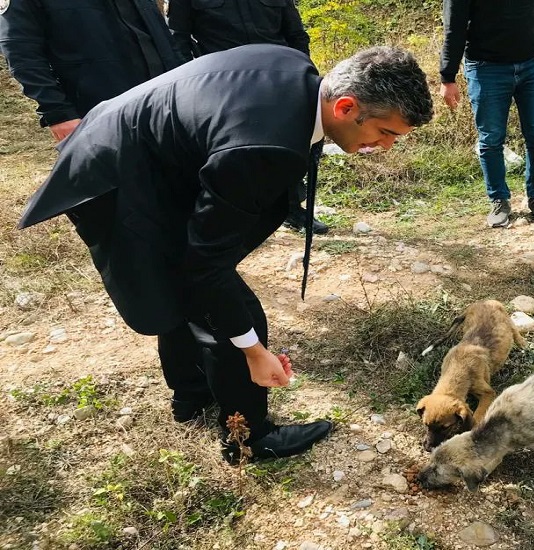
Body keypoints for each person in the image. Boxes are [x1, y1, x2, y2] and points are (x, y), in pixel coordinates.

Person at [17, 45, 434, 463]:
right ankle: (250, 440)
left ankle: (192, 397)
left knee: (183, 289)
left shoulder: (294, 71)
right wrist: (253, 351)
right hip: (116, 181)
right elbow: (205, 266)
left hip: (136, 154)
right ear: (345, 106)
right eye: (386, 133)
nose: (386, 147)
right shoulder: (265, 145)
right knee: (235, 313)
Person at [167, 0, 327, 234]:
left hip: (279, 77)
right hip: (224, 82)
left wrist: (303, 74)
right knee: (229, 153)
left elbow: (295, 34)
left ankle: (291, 208)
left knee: (293, 143)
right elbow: (177, 38)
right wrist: (194, 80)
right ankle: (227, 213)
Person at [439, 0, 534, 228]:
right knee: (490, 139)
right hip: (485, 68)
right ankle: (499, 200)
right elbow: (454, 28)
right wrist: (447, 77)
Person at [0, 0, 186, 142]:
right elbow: (22, 52)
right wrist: (58, 113)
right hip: (99, 116)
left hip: (165, 104)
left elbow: (163, 39)